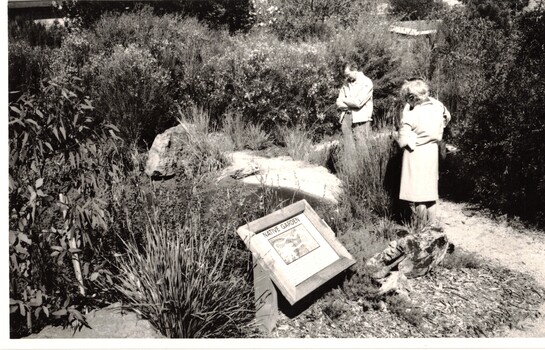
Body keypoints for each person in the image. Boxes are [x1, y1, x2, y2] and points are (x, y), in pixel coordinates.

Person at [396, 79, 451, 229]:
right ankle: (433, 228)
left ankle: (421, 229)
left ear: (411, 98)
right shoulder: (438, 109)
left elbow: (403, 141)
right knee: (431, 194)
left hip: (415, 154)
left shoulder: (411, 115)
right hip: (432, 152)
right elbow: (448, 117)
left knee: (418, 196)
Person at [335, 62, 373, 153]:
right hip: (346, 118)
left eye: (348, 74)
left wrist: (344, 100)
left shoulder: (366, 82)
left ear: (355, 70)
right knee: (348, 149)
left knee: (362, 147)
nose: (347, 77)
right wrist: (347, 102)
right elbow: (338, 102)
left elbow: (358, 103)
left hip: (361, 119)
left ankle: (363, 167)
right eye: (345, 75)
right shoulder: (346, 83)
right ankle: (350, 167)